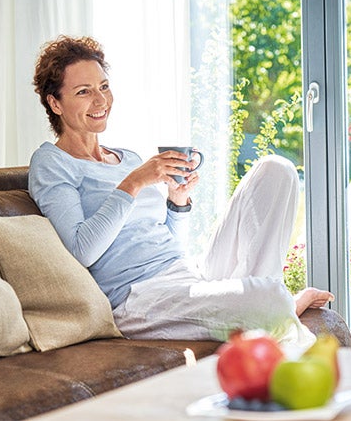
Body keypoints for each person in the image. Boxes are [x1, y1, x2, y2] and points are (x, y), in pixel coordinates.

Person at [28, 35, 332, 347]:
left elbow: (169, 243)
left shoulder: (126, 157)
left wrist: (178, 202)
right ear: (55, 103)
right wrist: (134, 182)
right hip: (139, 298)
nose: (101, 100)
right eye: (84, 91)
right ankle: (275, 304)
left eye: (104, 86)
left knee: (276, 170)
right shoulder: (52, 162)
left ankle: (267, 302)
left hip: (188, 275)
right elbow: (81, 250)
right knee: (266, 300)